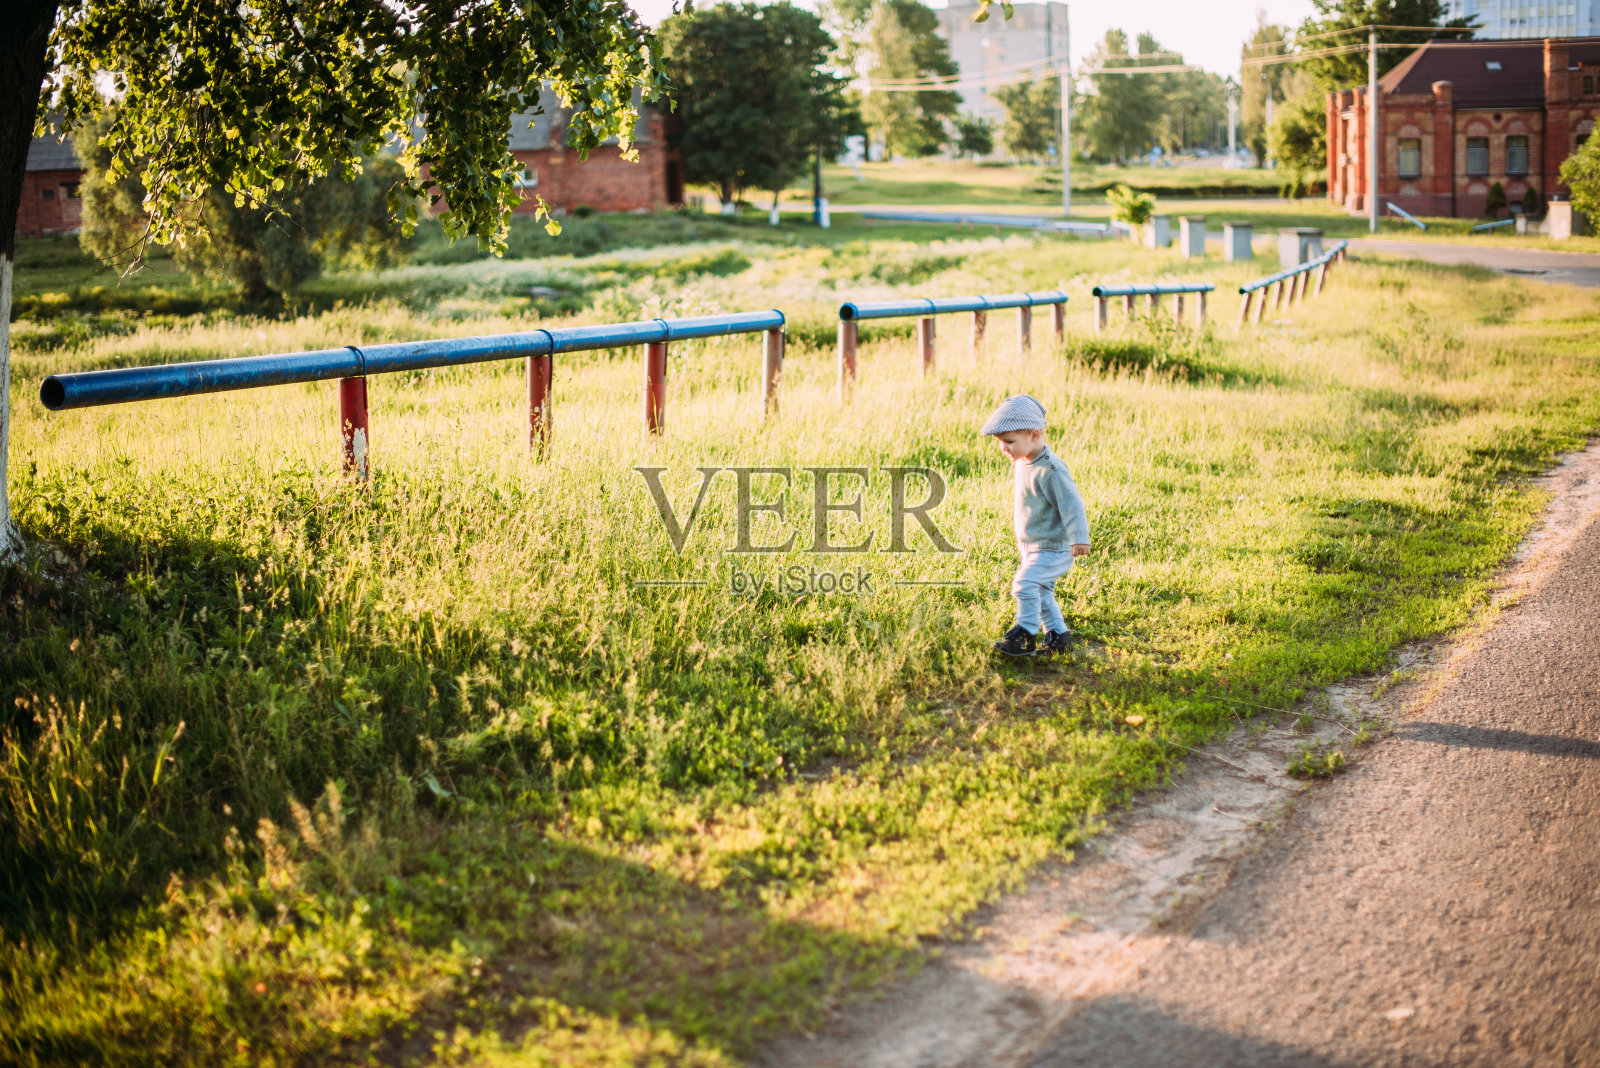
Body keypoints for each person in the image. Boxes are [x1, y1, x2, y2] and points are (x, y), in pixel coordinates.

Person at [980, 394, 1090, 657]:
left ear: (1034, 435)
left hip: (1053, 546)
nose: (1004, 448)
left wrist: (1079, 537)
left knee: (1024, 584)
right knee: (1040, 592)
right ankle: (1059, 637)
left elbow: (1071, 504)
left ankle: (1026, 633)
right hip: (1032, 545)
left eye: (1009, 442)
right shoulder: (1024, 462)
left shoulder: (1051, 470)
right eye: (1000, 443)